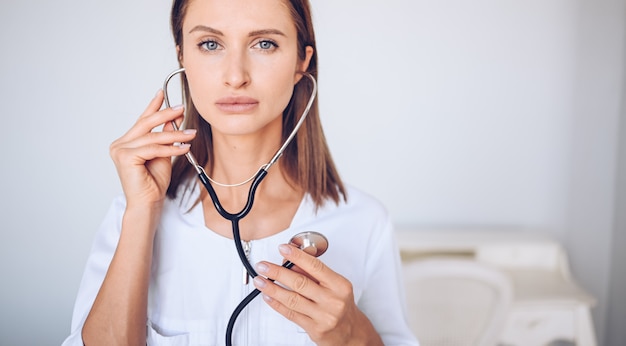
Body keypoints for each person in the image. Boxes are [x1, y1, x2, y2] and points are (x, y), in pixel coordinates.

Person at [63, 0, 419, 345]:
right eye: (210, 44)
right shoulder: (132, 216)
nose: (235, 76)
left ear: (301, 62)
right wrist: (142, 211)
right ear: (182, 57)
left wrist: (354, 337)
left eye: (264, 44)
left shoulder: (364, 222)